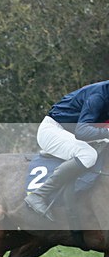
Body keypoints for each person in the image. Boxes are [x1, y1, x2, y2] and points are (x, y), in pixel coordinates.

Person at [24, 80, 109, 221]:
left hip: (71, 132)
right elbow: (82, 132)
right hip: (53, 130)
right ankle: (39, 195)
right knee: (88, 155)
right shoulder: (98, 97)